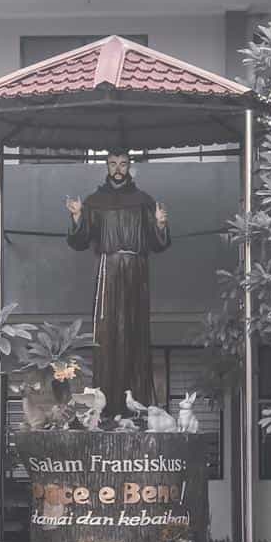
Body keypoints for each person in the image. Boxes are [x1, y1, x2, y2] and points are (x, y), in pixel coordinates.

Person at [66, 148, 170, 417]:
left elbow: (158, 244)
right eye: (113, 164)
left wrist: (160, 225)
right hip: (108, 270)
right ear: (106, 166)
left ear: (129, 166)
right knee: (107, 333)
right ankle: (106, 407)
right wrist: (78, 217)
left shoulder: (144, 201)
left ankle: (137, 407)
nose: (118, 169)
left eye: (123, 164)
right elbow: (80, 241)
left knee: (135, 331)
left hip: (136, 271)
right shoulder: (94, 202)